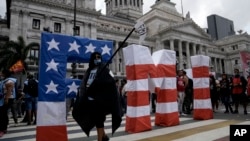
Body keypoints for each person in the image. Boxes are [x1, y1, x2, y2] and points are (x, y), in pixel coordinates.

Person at [72, 52, 123, 141]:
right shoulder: (89, 70)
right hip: (89, 99)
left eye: (99, 57)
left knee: (99, 120)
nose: (97, 59)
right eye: (95, 57)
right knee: (96, 120)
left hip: (100, 100)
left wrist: (100, 82)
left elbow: (111, 82)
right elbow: (84, 83)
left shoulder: (104, 69)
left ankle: (100, 139)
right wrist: (82, 95)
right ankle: (104, 136)